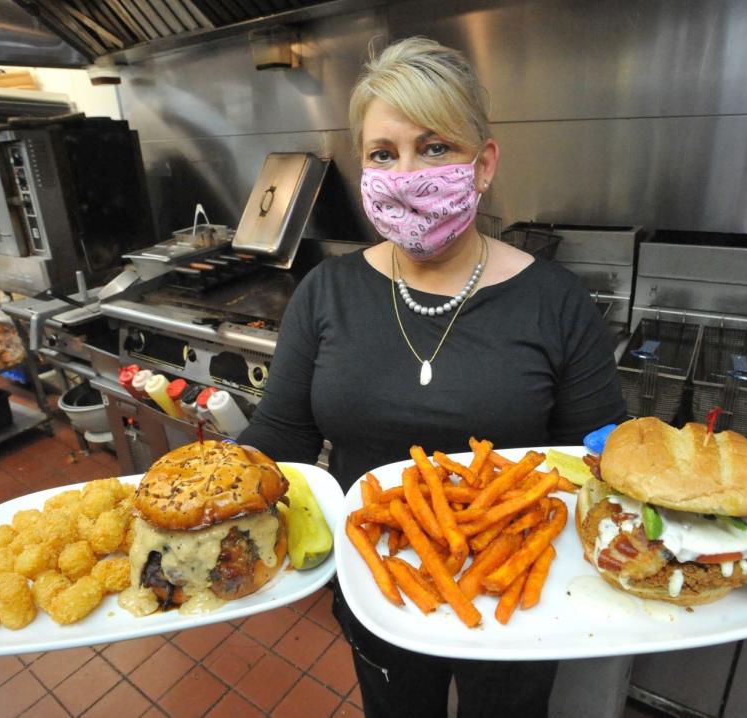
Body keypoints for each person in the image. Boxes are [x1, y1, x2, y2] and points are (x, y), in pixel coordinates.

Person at [239, 36, 626, 718]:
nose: (407, 172)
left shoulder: (557, 302)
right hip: (379, 592)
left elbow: (597, 459)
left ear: (483, 164)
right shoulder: (325, 293)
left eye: (435, 148)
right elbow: (283, 440)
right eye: (384, 154)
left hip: (518, 611)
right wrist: (210, 502)